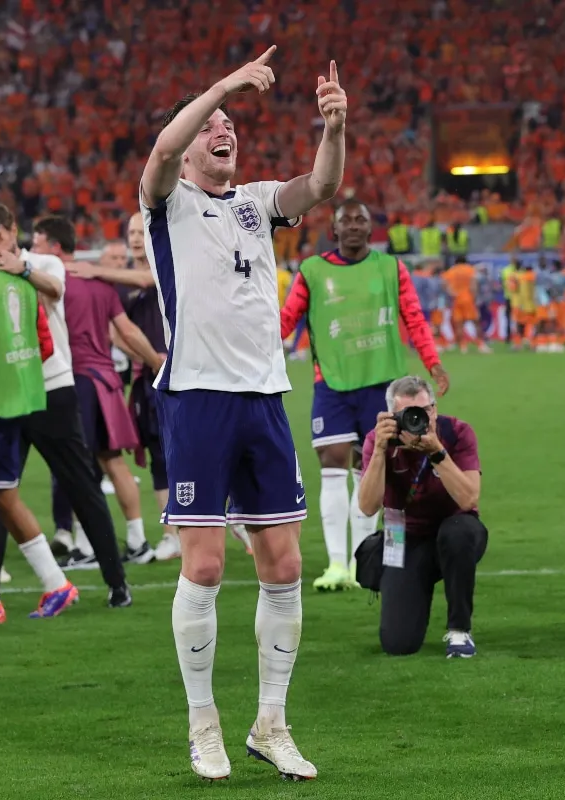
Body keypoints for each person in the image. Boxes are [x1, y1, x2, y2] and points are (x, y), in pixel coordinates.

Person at [139, 46, 346, 781]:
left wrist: (333, 128)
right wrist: (225, 84)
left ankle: (271, 724)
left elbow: (321, 186)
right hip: (197, 397)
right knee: (203, 563)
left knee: (284, 564)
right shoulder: (166, 199)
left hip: (263, 398)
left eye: (229, 123)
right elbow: (163, 149)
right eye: (210, 124)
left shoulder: (257, 201)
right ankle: (203, 726)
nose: (222, 128)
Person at [279, 199, 445, 593]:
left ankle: (361, 561)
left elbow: (414, 316)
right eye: (346, 220)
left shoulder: (391, 268)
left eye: (360, 220)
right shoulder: (312, 271)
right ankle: (337, 563)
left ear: (371, 229)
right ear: (334, 230)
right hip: (332, 384)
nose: (353, 226)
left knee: (371, 468)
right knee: (333, 464)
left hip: (381, 385)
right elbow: (285, 320)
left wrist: (433, 363)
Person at [0, 205, 132, 606]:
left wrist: (22, 269)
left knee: (80, 484)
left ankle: (117, 582)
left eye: (4, 232)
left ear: (10, 231)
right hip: (6, 394)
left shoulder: (42, 262)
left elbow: (56, 288)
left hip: (51, 389)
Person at [32, 216, 164, 566]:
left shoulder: (49, 284)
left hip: (75, 380)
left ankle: (86, 546)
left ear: (54, 247)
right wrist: (155, 361)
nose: (32, 250)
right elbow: (125, 331)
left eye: (37, 244)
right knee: (113, 461)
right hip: (106, 381)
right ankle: (137, 541)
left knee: (79, 466)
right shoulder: (99, 284)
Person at [0, 206, 80, 620]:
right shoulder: (21, 282)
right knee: (3, 496)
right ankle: (57, 584)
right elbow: (44, 345)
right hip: (17, 403)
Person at [356, 376, 484, 658]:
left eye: (424, 411)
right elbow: (367, 507)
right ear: (392, 416)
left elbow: (469, 499)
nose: (417, 420)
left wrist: (437, 452)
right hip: (405, 537)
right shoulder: (378, 441)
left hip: (454, 531)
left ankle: (459, 630)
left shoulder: (457, 433)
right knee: (398, 644)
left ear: (434, 410)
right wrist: (379, 451)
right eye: (407, 414)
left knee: (459, 531)